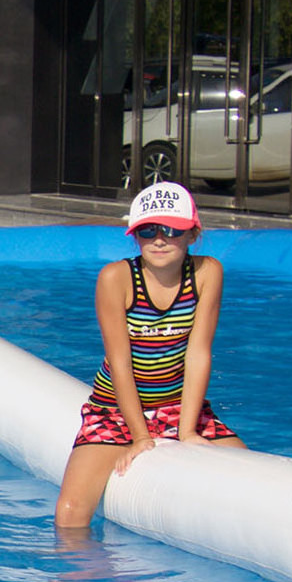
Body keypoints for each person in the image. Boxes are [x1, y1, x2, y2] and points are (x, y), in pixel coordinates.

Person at [54, 182, 245, 528]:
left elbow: (199, 354)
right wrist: (140, 435)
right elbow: (120, 363)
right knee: (70, 514)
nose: (159, 239)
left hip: (180, 407)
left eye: (172, 230)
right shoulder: (117, 278)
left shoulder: (206, 273)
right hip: (115, 411)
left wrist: (187, 431)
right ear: (135, 236)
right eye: (147, 230)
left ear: (192, 234)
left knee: (249, 473)